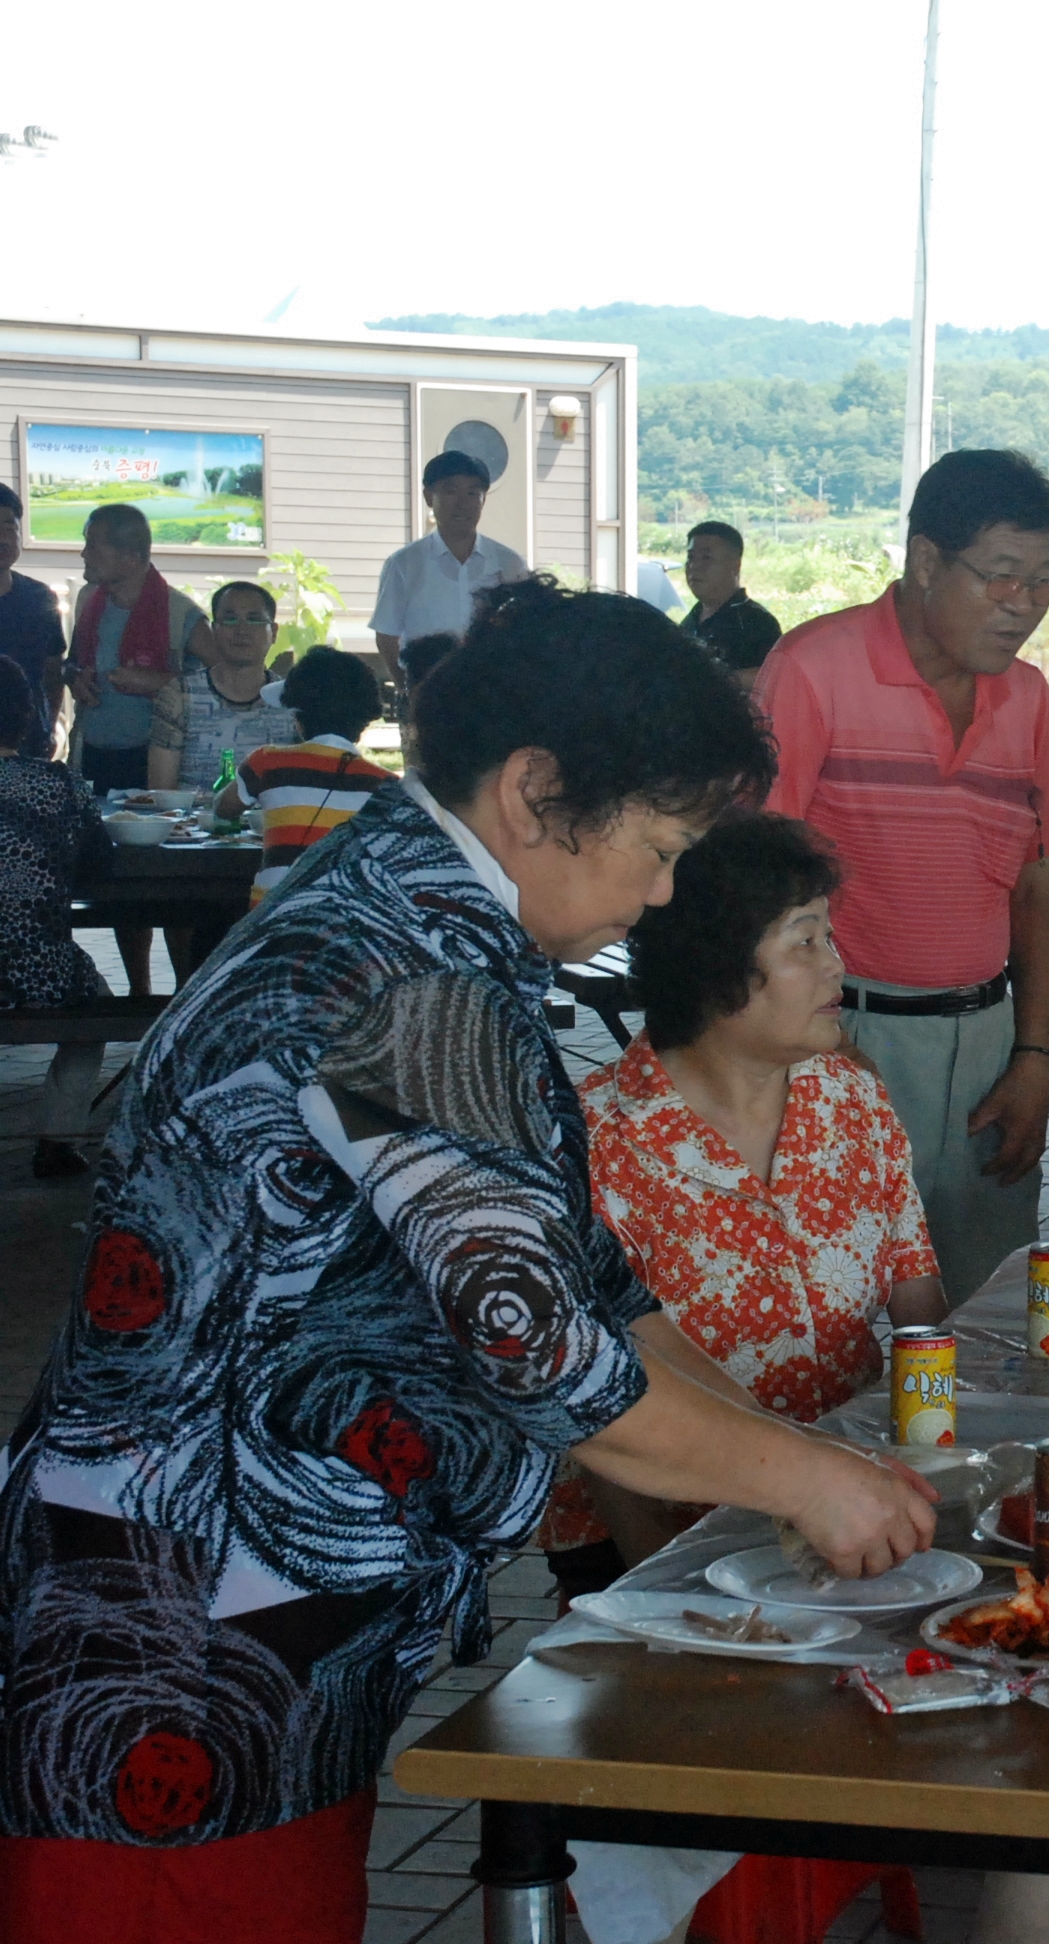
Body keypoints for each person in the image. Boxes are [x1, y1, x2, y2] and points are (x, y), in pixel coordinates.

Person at [0, 578, 937, 1944]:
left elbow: (598, 1290)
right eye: (661, 842)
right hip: (179, 1638)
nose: (669, 889)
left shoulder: (426, 925)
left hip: (248, 1607)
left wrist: (815, 1471)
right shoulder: (407, 972)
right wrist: (810, 1483)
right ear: (537, 789)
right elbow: (540, 1347)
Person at [539, 810, 947, 1589]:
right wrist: (663, 1594)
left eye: (829, 936)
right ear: (716, 965)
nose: (838, 967)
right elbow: (603, 1414)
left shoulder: (850, 1099)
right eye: (805, 941)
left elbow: (919, 1304)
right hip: (672, 1544)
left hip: (859, 1519)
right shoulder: (594, 1143)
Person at [757, 450, 1049, 1297]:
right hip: (847, 1040)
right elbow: (756, 883)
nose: (1025, 606)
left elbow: (1035, 885)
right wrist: (823, 1053)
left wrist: (1033, 1056)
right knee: (834, 1307)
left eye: (1043, 580)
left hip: (988, 1052)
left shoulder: (1028, 699)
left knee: (985, 1309)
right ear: (926, 561)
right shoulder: (813, 669)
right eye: (1003, 577)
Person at [69, 504, 208, 998]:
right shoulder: (89, 599)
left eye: (93, 544)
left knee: (171, 887)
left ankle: (187, 994)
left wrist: (155, 681)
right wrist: (77, 679)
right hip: (97, 757)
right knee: (122, 884)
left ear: (131, 555)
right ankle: (140, 993)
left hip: (156, 764)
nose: (84, 552)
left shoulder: (181, 613)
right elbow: (72, 664)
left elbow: (214, 685)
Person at [0, 659, 111, 1178]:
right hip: (39, 967)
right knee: (99, 1007)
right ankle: (59, 1138)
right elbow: (98, 863)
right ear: (25, 719)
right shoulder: (59, 785)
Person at [220, 646, 395, 904]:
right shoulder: (387, 787)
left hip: (269, 918)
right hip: (344, 921)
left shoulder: (266, 763)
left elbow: (223, 809)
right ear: (364, 722)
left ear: (298, 719)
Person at [368, 449, 526, 688]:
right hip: (427, 690)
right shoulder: (404, 564)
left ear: (484, 499)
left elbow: (525, 632)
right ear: (429, 496)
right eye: (451, 491)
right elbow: (387, 636)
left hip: (494, 694)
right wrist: (407, 691)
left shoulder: (509, 563)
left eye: (473, 493)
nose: (462, 503)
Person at [148, 581, 299, 791]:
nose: (241, 629)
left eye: (254, 619)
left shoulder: (293, 699)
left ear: (273, 632)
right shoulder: (180, 695)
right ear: (214, 630)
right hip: (190, 822)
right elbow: (161, 791)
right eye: (230, 619)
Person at [0, 485, 68, 761]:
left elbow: (53, 674)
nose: (2, 539)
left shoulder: (40, 598)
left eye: (9, 527)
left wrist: (49, 726)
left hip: (30, 747)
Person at [676, 519, 783, 690]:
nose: (694, 566)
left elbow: (772, 678)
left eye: (706, 557)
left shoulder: (756, 623)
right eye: (690, 557)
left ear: (736, 565)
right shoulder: (689, 623)